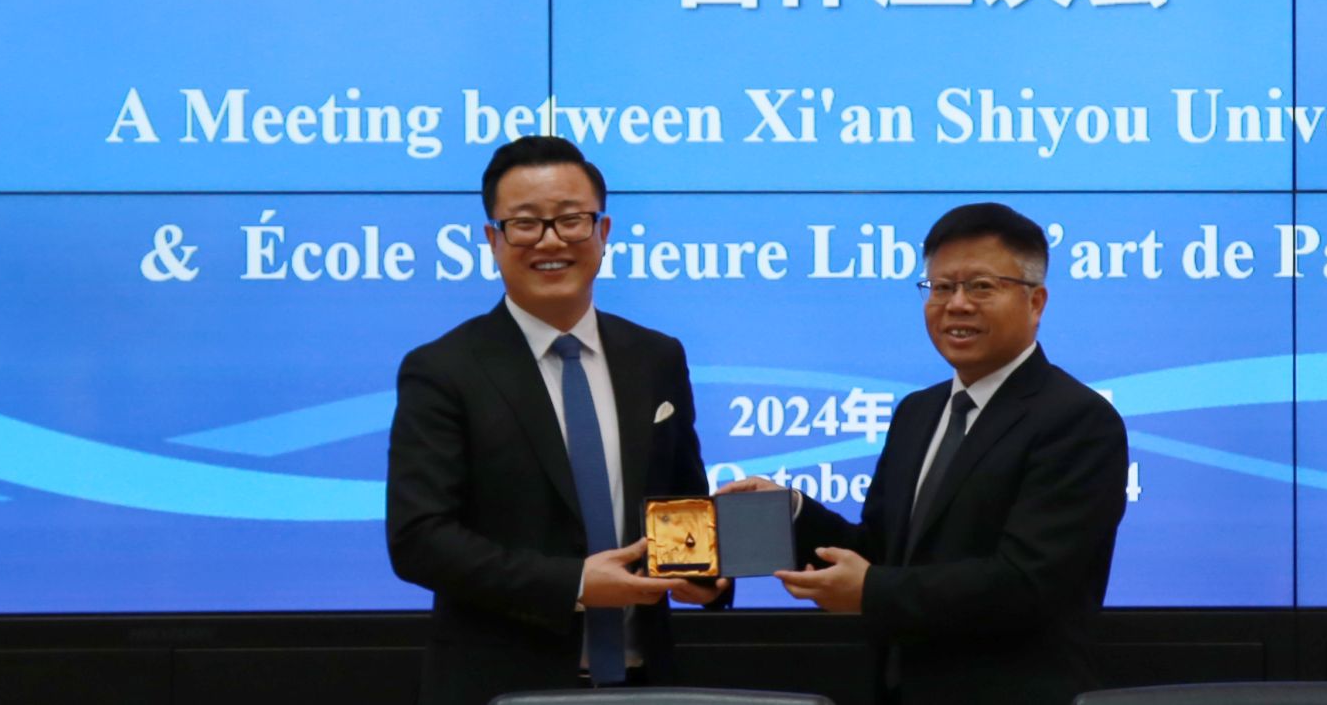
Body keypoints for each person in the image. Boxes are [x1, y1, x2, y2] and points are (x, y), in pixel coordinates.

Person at [723, 201, 1130, 705]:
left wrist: (871, 591)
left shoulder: (1077, 420)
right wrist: (793, 513)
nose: (956, 304)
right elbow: (882, 554)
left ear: (1036, 301)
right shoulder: (918, 412)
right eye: (940, 287)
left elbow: (1026, 584)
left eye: (981, 286)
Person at [387, 135, 724, 705]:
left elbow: (681, 500)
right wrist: (576, 584)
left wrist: (709, 574)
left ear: (603, 232)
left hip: (648, 684)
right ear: (493, 240)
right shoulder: (443, 369)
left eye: (571, 220)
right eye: (525, 224)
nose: (550, 240)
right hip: (504, 688)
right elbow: (419, 539)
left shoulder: (656, 357)